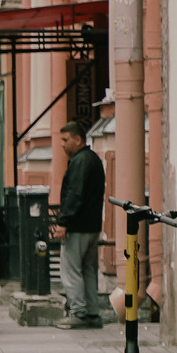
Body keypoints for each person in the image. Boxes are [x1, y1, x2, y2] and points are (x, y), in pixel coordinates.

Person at [49, 118, 105, 329]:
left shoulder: (80, 162)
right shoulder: (93, 159)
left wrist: (63, 222)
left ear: (78, 140)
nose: (62, 144)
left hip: (78, 226)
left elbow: (74, 193)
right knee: (88, 270)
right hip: (91, 226)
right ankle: (92, 313)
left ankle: (78, 312)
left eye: (65, 140)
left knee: (71, 269)